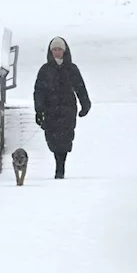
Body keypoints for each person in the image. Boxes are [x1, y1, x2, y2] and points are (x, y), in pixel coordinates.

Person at [32, 36, 91, 179]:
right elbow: (38, 91)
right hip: (50, 109)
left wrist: (85, 104)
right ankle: (58, 162)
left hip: (67, 109)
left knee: (65, 139)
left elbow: (80, 87)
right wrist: (39, 110)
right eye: (54, 50)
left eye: (59, 49)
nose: (57, 52)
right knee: (52, 139)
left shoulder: (71, 69)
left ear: (64, 51)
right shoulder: (45, 70)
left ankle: (60, 167)